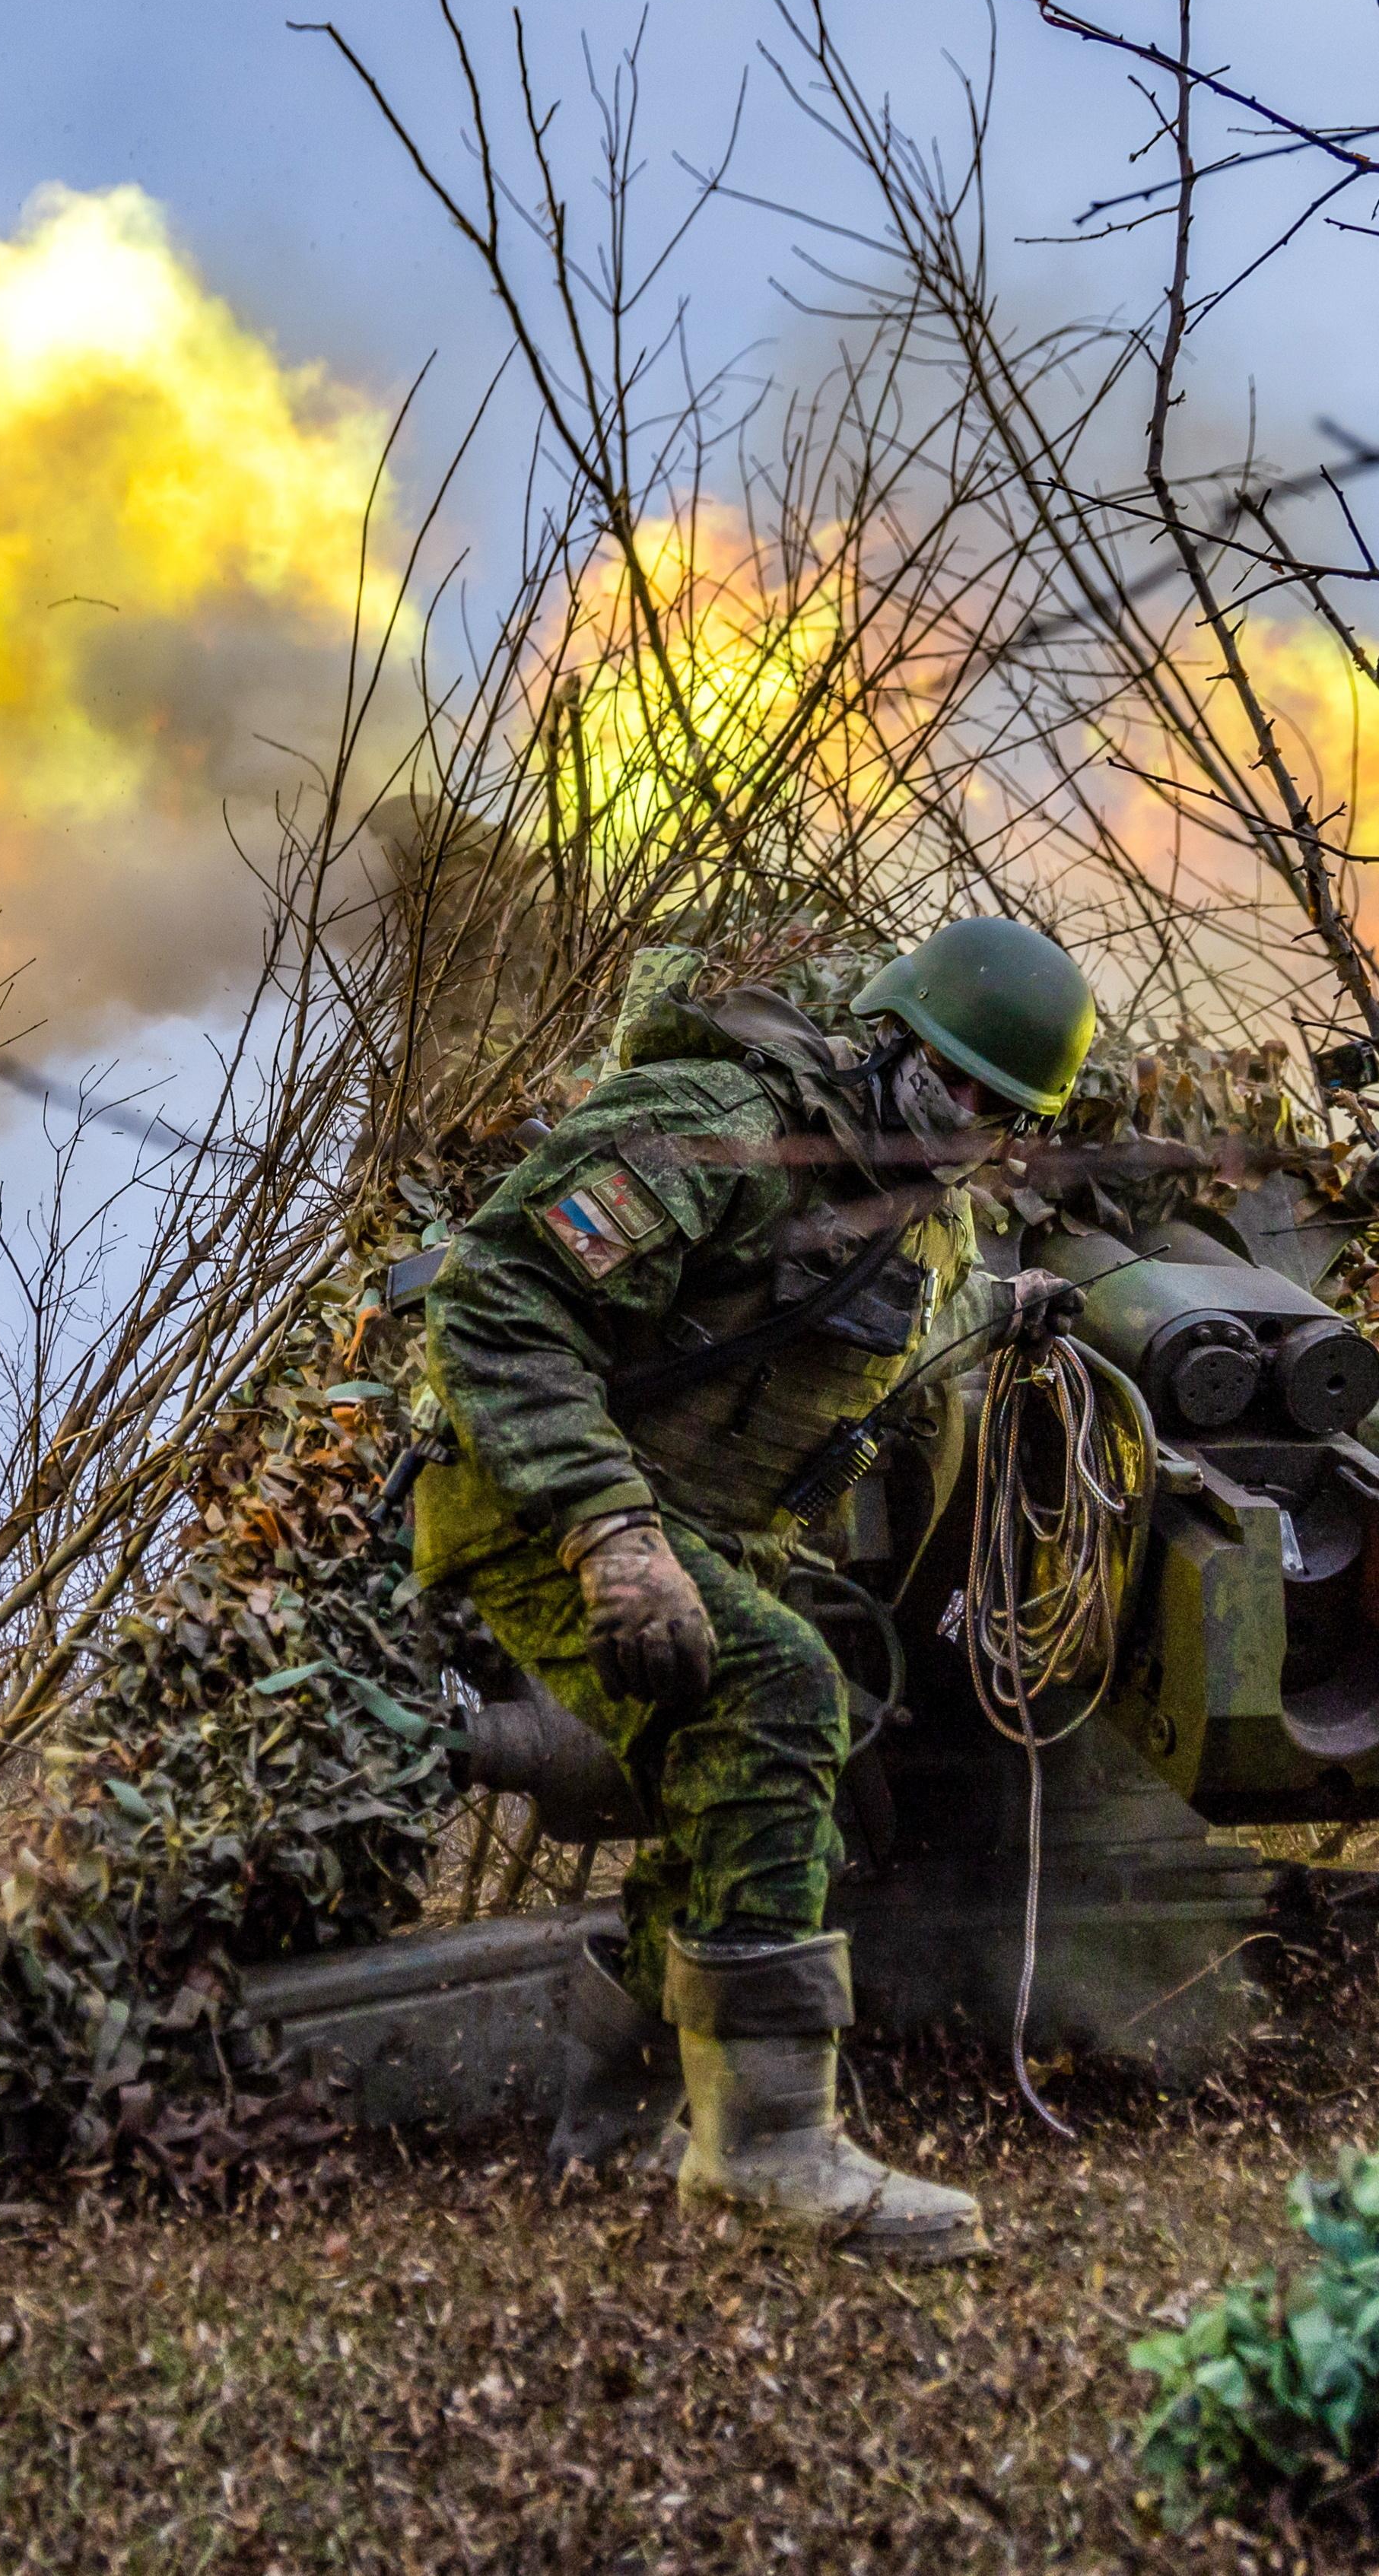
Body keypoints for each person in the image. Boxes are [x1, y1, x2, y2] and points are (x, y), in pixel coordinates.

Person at [410, 917, 1097, 2258]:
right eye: (953, 1085)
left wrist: (1009, 1311)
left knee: (769, 1806)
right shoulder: (720, 1120)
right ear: (893, 1035)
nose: (967, 1125)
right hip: (534, 1503)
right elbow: (497, 1304)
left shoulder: (930, 1230)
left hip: (700, 1539)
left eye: (1001, 1114)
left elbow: (899, 1344)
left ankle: (609, 2131)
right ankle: (771, 2152)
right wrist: (609, 1533)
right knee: (780, 1696)